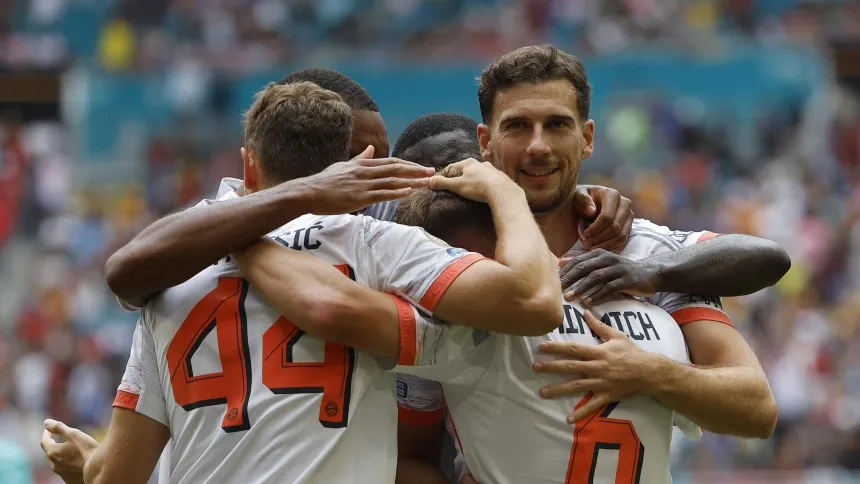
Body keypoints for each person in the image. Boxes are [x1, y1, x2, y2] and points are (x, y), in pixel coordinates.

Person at [43, 80, 572, 484]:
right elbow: (530, 298)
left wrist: (83, 465)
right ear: (350, 163)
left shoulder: (171, 279)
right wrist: (507, 191)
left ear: (248, 166)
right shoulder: (375, 246)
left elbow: (117, 476)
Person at [380, 111, 788, 482]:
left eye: (455, 174)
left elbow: (758, 406)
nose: (440, 191)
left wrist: (649, 365)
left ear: (491, 170)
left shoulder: (636, 249)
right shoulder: (425, 294)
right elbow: (411, 459)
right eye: (424, 183)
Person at [102, 69, 635, 311]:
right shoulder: (207, 227)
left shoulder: (382, 221)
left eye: (384, 159)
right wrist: (303, 197)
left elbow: (458, 197)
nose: (377, 172)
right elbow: (126, 273)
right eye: (363, 158)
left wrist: (578, 192)